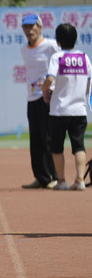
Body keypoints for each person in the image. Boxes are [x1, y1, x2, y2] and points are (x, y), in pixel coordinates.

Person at [41, 23, 91, 191]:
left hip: (59, 110)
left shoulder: (57, 57)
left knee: (56, 147)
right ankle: (80, 180)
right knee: (79, 146)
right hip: (79, 109)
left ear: (58, 41)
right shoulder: (84, 57)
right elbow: (89, 82)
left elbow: (49, 79)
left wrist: (44, 91)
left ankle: (61, 180)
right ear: (75, 39)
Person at [20, 13, 59, 189]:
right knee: (35, 140)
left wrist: (53, 88)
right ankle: (41, 177)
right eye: (26, 27)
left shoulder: (50, 45)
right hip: (32, 98)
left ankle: (56, 176)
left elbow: (61, 66)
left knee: (48, 138)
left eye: (32, 26)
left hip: (48, 98)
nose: (29, 31)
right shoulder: (24, 49)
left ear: (40, 27)